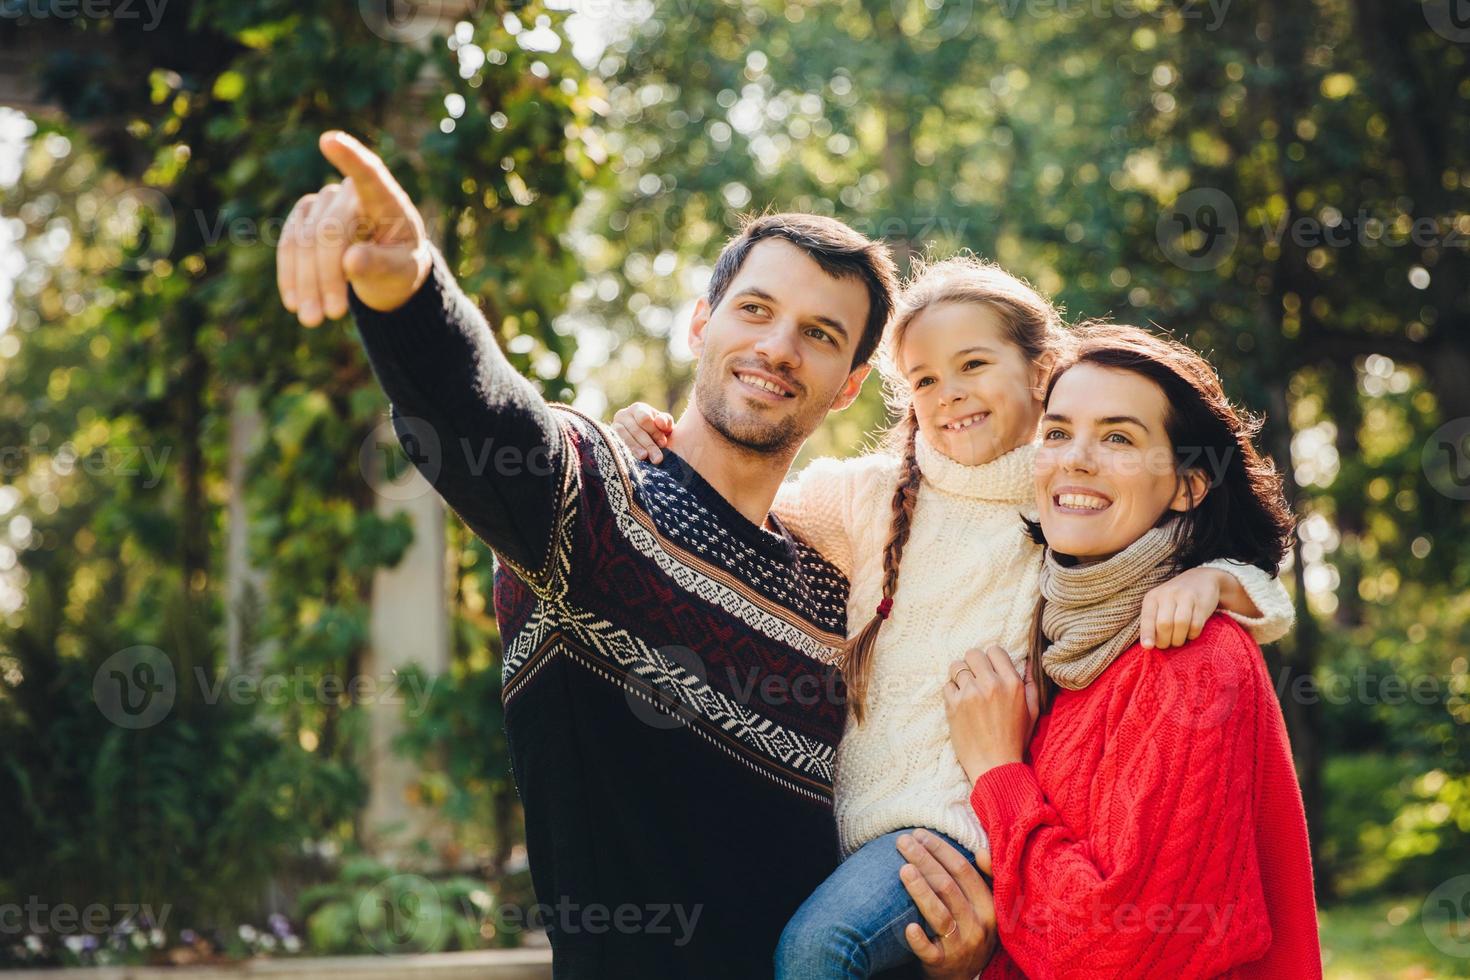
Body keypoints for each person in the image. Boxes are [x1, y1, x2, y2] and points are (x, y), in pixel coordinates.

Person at [274, 130, 993, 980]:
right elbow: (484, 423)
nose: (777, 349)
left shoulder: (847, 583)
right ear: (701, 324)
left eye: (820, 334)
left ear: (846, 387)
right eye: (755, 310)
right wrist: (408, 286)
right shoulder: (596, 501)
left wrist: (951, 949)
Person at [612, 257, 1294, 978]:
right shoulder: (871, 494)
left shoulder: (1067, 502)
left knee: (818, 952)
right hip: (847, 822)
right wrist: (651, 438)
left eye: (972, 364)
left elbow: (1198, 553)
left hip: (957, 831)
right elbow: (737, 491)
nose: (949, 394)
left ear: (1041, 372)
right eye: (925, 379)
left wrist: (1221, 580)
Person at [942, 324, 1321, 978]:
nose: (1075, 459)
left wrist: (997, 772)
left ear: (1188, 487)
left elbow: (1113, 951)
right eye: (1057, 432)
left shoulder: (1196, 656)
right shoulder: (1062, 643)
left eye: (1118, 437)